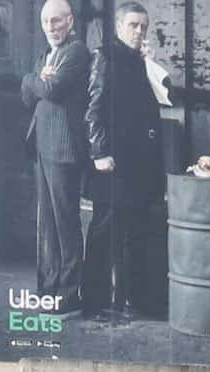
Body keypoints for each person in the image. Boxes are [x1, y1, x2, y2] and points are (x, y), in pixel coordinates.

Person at [82, 1, 159, 321]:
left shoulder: (139, 60)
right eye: (133, 25)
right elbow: (93, 109)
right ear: (118, 27)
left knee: (134, 233)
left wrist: (150, 66)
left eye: (143, 26)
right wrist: (99, 152)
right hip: (111, 163)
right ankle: (94, 304)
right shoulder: (105, 56)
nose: (139, 31)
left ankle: (130, 301)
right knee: (104, 232)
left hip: (137, 163)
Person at [22, 0, 92, 308]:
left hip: (64, 150)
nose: (51, 27)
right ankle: (49, 288)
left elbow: (52, 91)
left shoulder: (77, 51)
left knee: (65, 223)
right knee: (47, 224)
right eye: (46, 22)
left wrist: (33, 79)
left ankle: (68, 294)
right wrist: (35, 79)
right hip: (42, 146)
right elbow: (28, 96)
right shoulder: (47, 55)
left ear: (70, 21)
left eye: (57, 21)